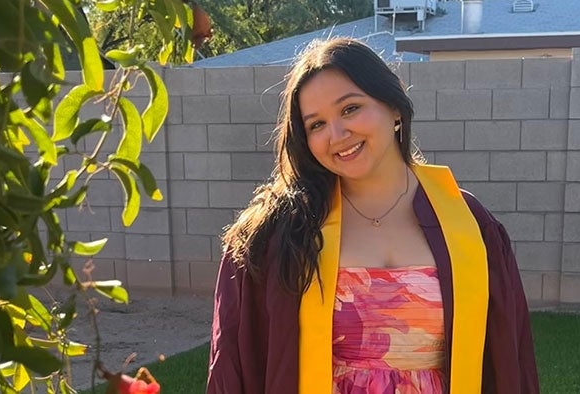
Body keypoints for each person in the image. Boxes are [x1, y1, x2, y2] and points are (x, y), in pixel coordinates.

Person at [206, 37, 539, 394]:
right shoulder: (278, 233)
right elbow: (235, 364)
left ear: (394, 105)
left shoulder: (471, 225)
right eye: (316, 124)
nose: (337, 134)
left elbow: (508, 359)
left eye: (350, 109)